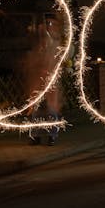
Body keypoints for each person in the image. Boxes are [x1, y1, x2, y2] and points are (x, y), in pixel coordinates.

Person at [25, 14, 64, 146]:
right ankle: (35, 136)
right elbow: (34, 59)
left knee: (51, 111)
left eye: (51, 24)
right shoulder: (40, 42)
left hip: (51, 83)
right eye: (47, 23)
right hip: (38, 82)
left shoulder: (56, 43)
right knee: (36, 110)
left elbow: (56, 62)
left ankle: (52, 135)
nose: (49, 26)